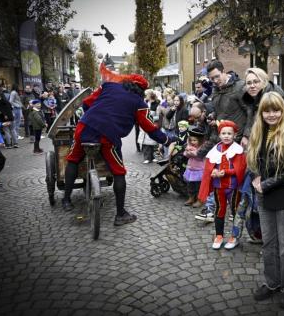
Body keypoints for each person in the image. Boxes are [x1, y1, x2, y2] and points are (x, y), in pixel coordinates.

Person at [62, 64, 174, 226]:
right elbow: (150, 129)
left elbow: (86, 103)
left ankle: (66, 200)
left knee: (73, 159)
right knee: (118, 172)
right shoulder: (140, 104)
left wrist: (95, 115)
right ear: (141, 90)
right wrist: (167, 140)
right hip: (108, 136)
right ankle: (120, 214)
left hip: (85, 128)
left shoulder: (107, 87)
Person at [247, 92, 284, 308]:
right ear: (261, 112)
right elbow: (251, 161)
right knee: (269, 244)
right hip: (264, 196)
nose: (271, 115)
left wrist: (264, 185)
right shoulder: (258, 132)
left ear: (283, 111)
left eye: (276, 110)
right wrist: (255, 179)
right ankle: (272, 282)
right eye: (267, 110)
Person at [198, 120, 246, 250]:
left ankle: (235, 237)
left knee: (235, 212)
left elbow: (240, 169)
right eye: (223, 133)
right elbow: (210, 166)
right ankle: (219, 236)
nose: (226, 136)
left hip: (233, 187)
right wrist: (212, 171)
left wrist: (225, 172)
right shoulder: (216, 149)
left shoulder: (238, 150)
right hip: (219, 186)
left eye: (229, 134)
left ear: (234, 135)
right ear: (219, 135)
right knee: (219, 210)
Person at [207, 60, 250, 146]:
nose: (215, 81)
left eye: (217, 76)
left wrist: (246, 135)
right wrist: (213, 116)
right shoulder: (215, 89)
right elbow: (222, 110)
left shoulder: (240, 87)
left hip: (238, 139)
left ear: (223, 71)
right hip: (223, 139)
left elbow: (251, 111)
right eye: (212, 79)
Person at [243, 67, 284, 135]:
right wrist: (246, 135)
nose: (252, 86)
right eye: (248, 83)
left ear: (264, 82)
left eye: (256, 82)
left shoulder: (274, 97)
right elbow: (250, 119)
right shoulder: (250, 98)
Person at [183, 127, 205, 207]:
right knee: (190, 184)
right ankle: (191, 198)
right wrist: (187, 152)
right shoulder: (189, 146)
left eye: (195, 140)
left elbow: (199, 157)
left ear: (200, 140)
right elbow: (185, 154)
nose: (192, 142)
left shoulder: (202, 148)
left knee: (198, 185)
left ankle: (199, 199)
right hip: (191, 169)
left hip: (199, 169)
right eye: (191, 140)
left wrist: (192, 153)